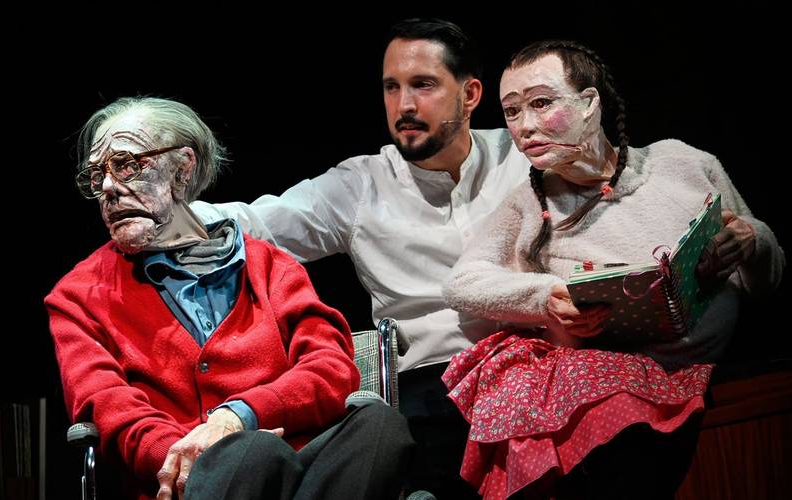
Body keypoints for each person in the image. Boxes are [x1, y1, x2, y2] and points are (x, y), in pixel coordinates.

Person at [192, 18, 529, 498]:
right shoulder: (361, 186)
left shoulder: (523, 156)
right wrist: (160, 209)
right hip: (432, 389)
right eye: (392, 87)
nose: (404, 105)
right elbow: (258, 221)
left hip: (536, 367)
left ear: (470, 94)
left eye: (423, 85)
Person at [441, 40, 785, 499]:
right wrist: (546, 297)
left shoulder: (682, 163)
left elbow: (768, 281)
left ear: (589, 103)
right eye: (512, 111)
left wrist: (751, 240)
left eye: (541, 103)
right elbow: (462, 283)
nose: (525, 126)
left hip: (701, 363)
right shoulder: (529, 203)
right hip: (616, 382)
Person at [45, 97, 414, 500]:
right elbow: (106, 405)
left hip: (297, 464)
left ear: (182, 169)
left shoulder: (271, 266)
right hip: (184, 479)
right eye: (97, 174)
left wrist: (239, 415)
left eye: (127, 165)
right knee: (250, 454)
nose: (108, 188)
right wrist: (187, 454)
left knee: (380, 426)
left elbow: (331, 368)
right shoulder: (79, 295)